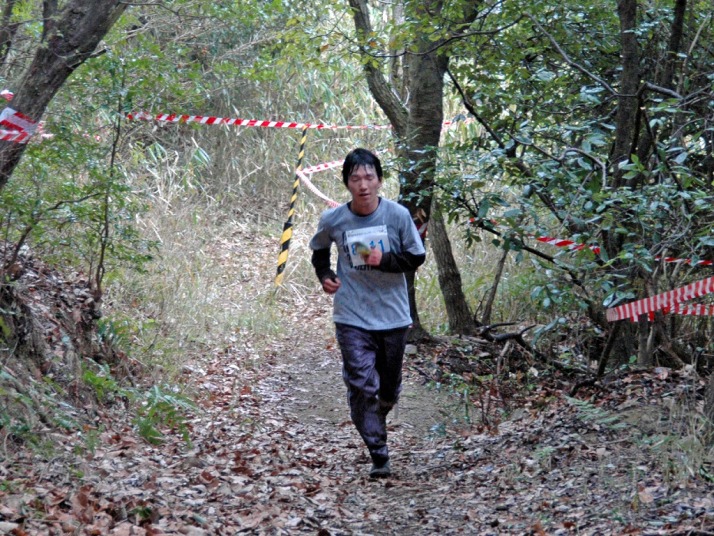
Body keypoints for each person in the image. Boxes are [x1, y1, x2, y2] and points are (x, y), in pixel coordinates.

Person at [309, 148, 426, 478]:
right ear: (346, 183)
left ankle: (380, 409)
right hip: (351, 315)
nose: (363, 185)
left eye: (369, 177)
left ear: (379, 181)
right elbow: (319, 251)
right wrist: (325, 275)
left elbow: (416, 257)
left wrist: (383, 260)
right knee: (362, 384)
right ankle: (379, 452)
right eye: (355, 178)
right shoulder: (334, 219)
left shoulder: (397, 216)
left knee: (387, 389)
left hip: (393, 316)